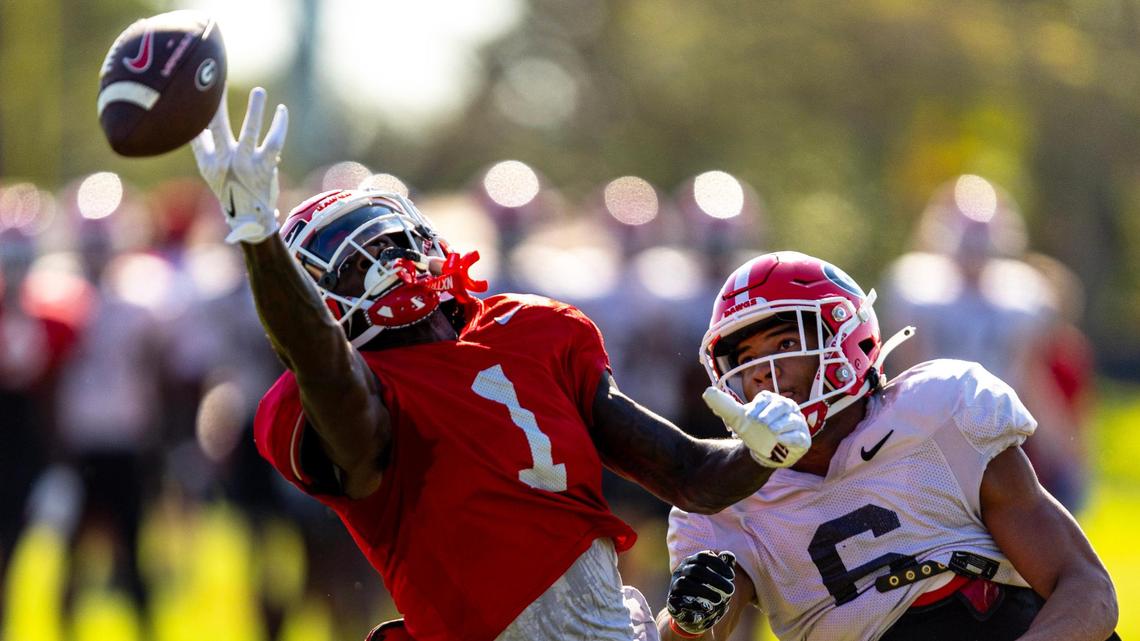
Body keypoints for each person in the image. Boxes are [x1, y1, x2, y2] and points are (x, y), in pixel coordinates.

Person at [189, 87, 814, 641]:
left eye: (387, 239)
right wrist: (260, 238)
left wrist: (759, 449)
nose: (386, 260)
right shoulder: (357, 399)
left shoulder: (535, 329)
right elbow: (328, 375)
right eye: (357, 261)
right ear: (316, 303)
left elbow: (687, 472)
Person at [657, 251, 1119, 641]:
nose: (762, 371)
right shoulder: (726, 497)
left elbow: (1085, 589)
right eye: (746, 359)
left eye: (785, 341)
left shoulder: (941, 413)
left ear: (843, 338)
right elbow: (694, 634)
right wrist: (687, 620)